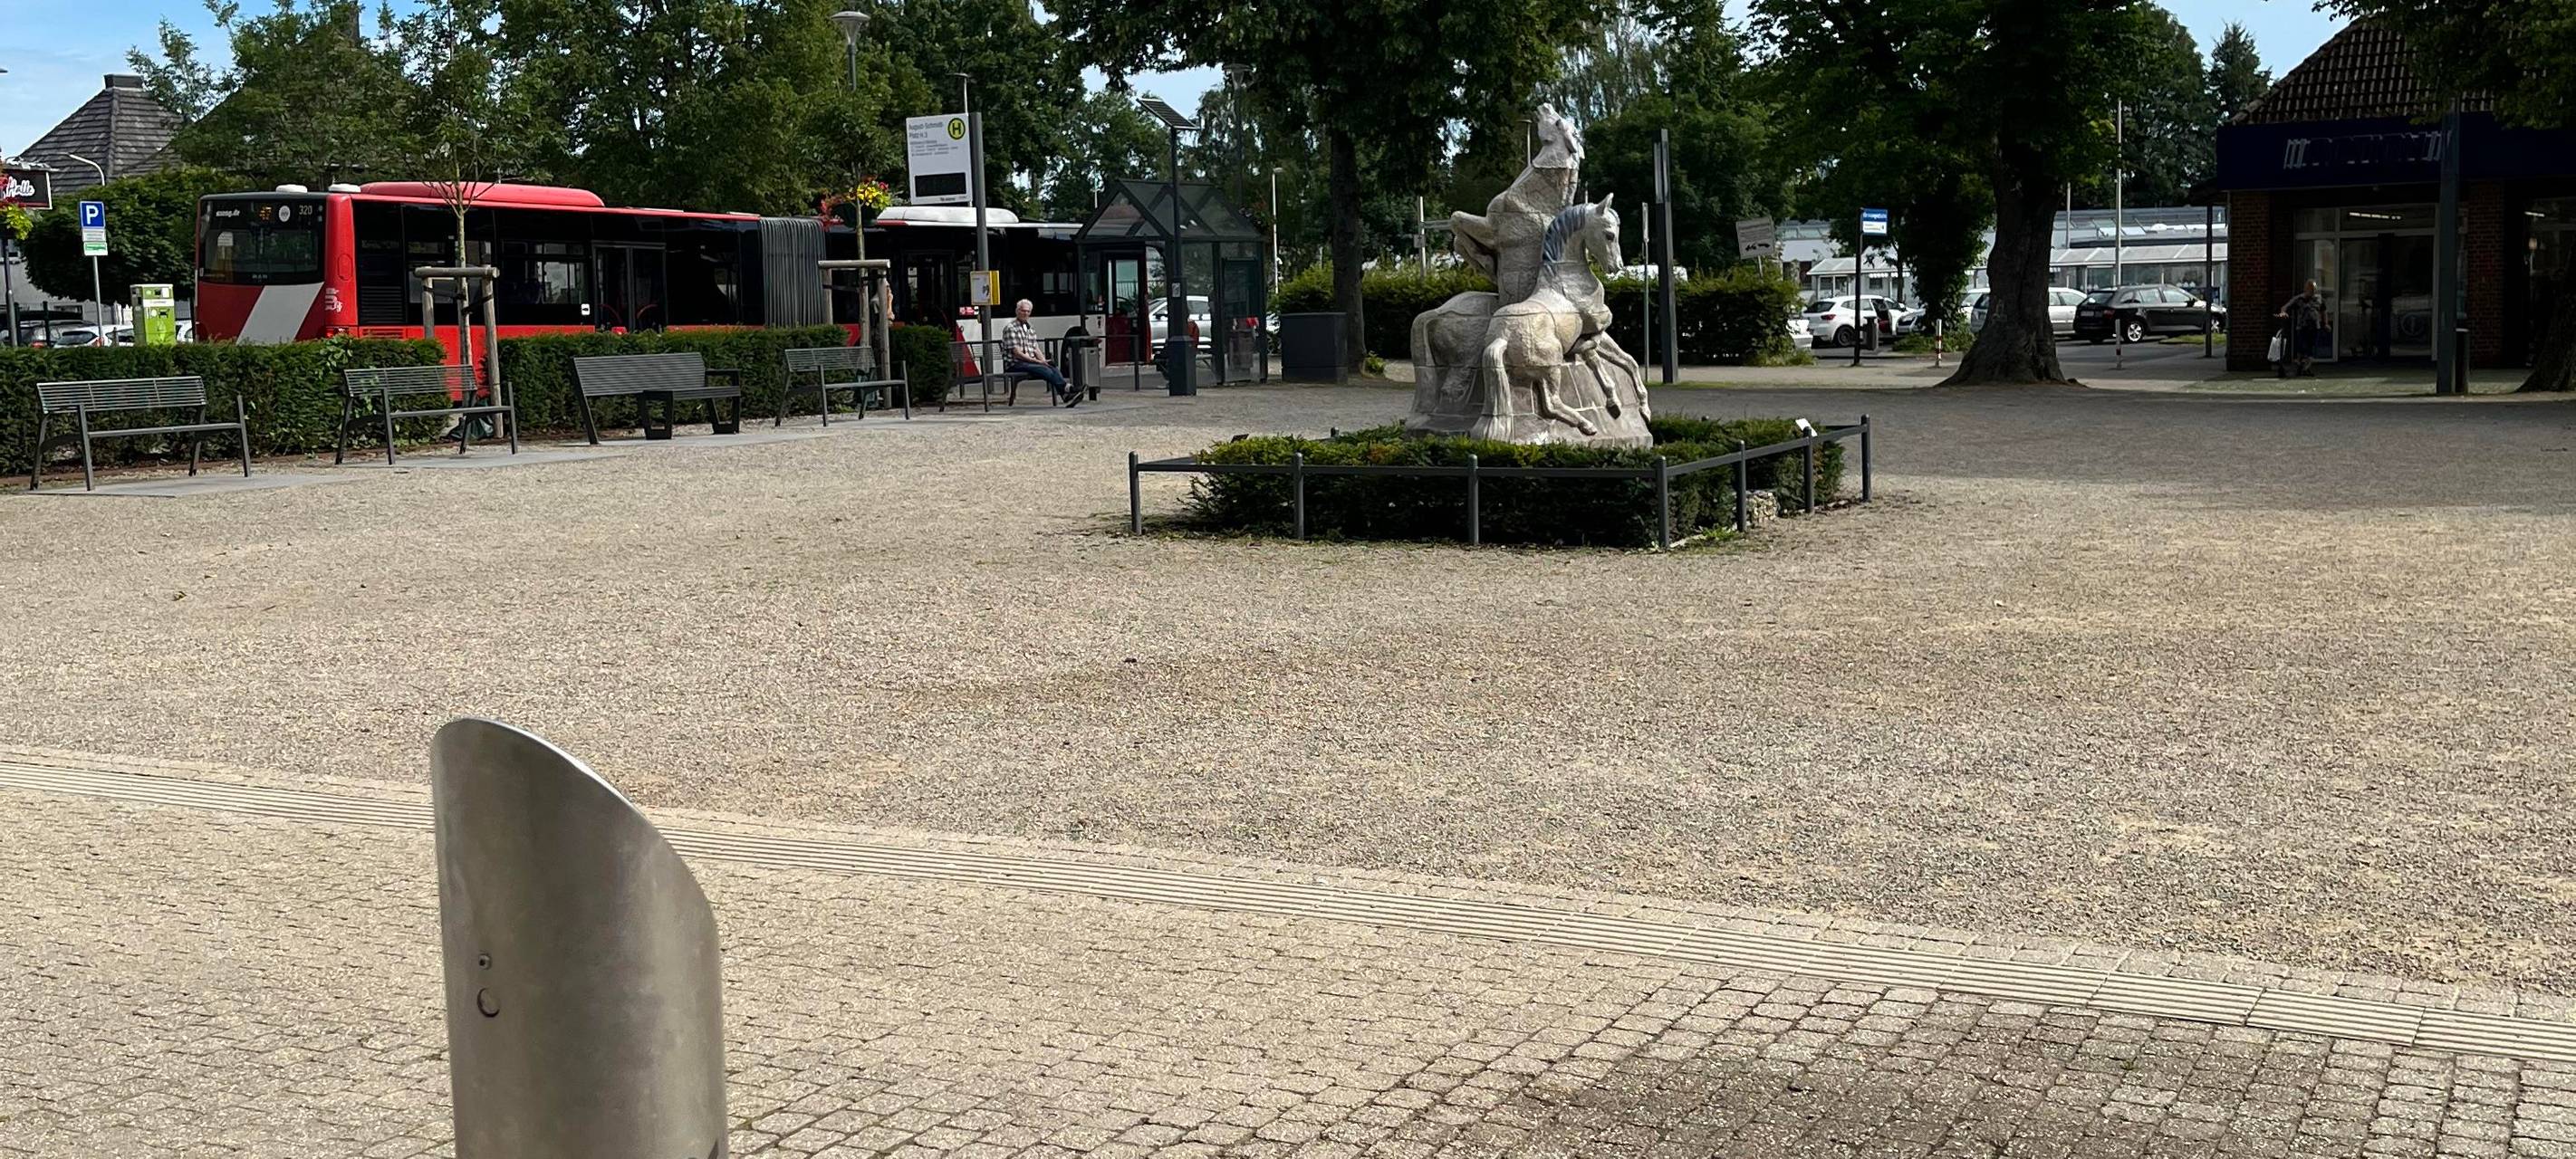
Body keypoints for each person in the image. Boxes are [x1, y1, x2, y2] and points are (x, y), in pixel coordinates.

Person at [1002, 299, 1073, 407]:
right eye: (1023, 311)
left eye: (1028, 311)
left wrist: (1044, 361)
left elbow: (1036, 349)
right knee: (1043, 368)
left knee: (1051, 367)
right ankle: (1066, 389)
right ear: (1017, 311)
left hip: (1029, 363)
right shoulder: (1011, 328)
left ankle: (1065, 394)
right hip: (1015, 364)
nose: (1025, 313)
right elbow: (1017, 353)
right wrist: (1038, 362)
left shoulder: (1030, 328)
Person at [2275, 280, 2324, 378]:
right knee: (2302, 348)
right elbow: (2285, 307)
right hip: (2302, 327)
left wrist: (2325, 323)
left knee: (2311, 349)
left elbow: (2324, 310)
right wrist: (2283, 313)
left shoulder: (2318, 299)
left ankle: (2305, 368)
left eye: (2313, 289)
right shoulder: (2299, 299)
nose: (2312, 291)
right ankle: (2299, 367)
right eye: (2310, 289)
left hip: (2315, 327)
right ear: (2305, 289)